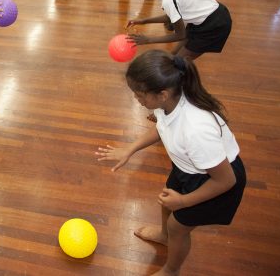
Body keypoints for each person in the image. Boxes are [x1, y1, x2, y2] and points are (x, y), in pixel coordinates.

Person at [96, 50, 246, 276]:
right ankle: (165, 237)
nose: (136, 99)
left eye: (139, 95)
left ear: (162, 94)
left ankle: (171, 270)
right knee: (167, 201)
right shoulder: (170, 101)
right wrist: (130, 149)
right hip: (190, 168)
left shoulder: (196, 129)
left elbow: (226, 180)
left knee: (178, 226)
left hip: (215, 181)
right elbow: (162, 127)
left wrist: (184, 201)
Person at [126, 0, 231, 61]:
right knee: (173, 55)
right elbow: (171, 16)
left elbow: (181, 35)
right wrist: (143, 21)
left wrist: (148, 40)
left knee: (177, 63)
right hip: (210, 16)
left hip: (214, 25)